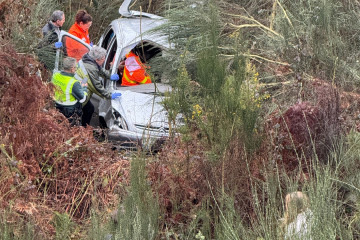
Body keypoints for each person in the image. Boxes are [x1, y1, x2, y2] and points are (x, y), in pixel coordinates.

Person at [75, 46, 121, 126]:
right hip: (78, 95)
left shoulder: (88, 59)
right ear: (97, 59)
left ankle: (84, 128)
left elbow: (99, 69)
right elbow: (96, 87)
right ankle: (80, 130)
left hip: (79, 91)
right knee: (77, 115)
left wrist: (109, 75)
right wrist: (109, 95)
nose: (104, 61)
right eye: (103, 59)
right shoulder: (91, 68)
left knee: (89, 109)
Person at [51, 57, 88, 126]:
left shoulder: (55, 75)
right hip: (69, 111)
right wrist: (84, 88)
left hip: (56, 106)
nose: (76, 69)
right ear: (72, 69)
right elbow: (82, 99)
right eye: (76, 67)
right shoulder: (74, 82)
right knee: (70, 128)